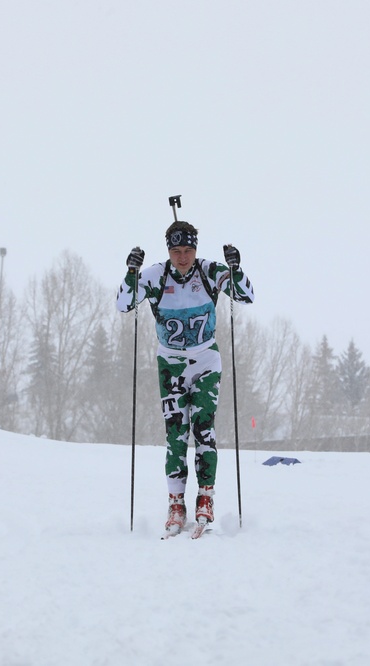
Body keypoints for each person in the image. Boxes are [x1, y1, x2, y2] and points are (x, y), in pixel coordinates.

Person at [116, 220, 254, 535]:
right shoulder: (155, 276)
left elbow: (247, 296)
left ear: (195, 248)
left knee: (204, 429)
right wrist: (131, 272)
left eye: (188, 250)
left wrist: (236, 269)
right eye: (176, 251)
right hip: (172, 364)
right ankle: (176, 504)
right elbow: (123, 304)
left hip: (206, 360)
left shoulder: (208, 271)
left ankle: (205, 498)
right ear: (168, 250)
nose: (182, 257)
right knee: (176, 435)